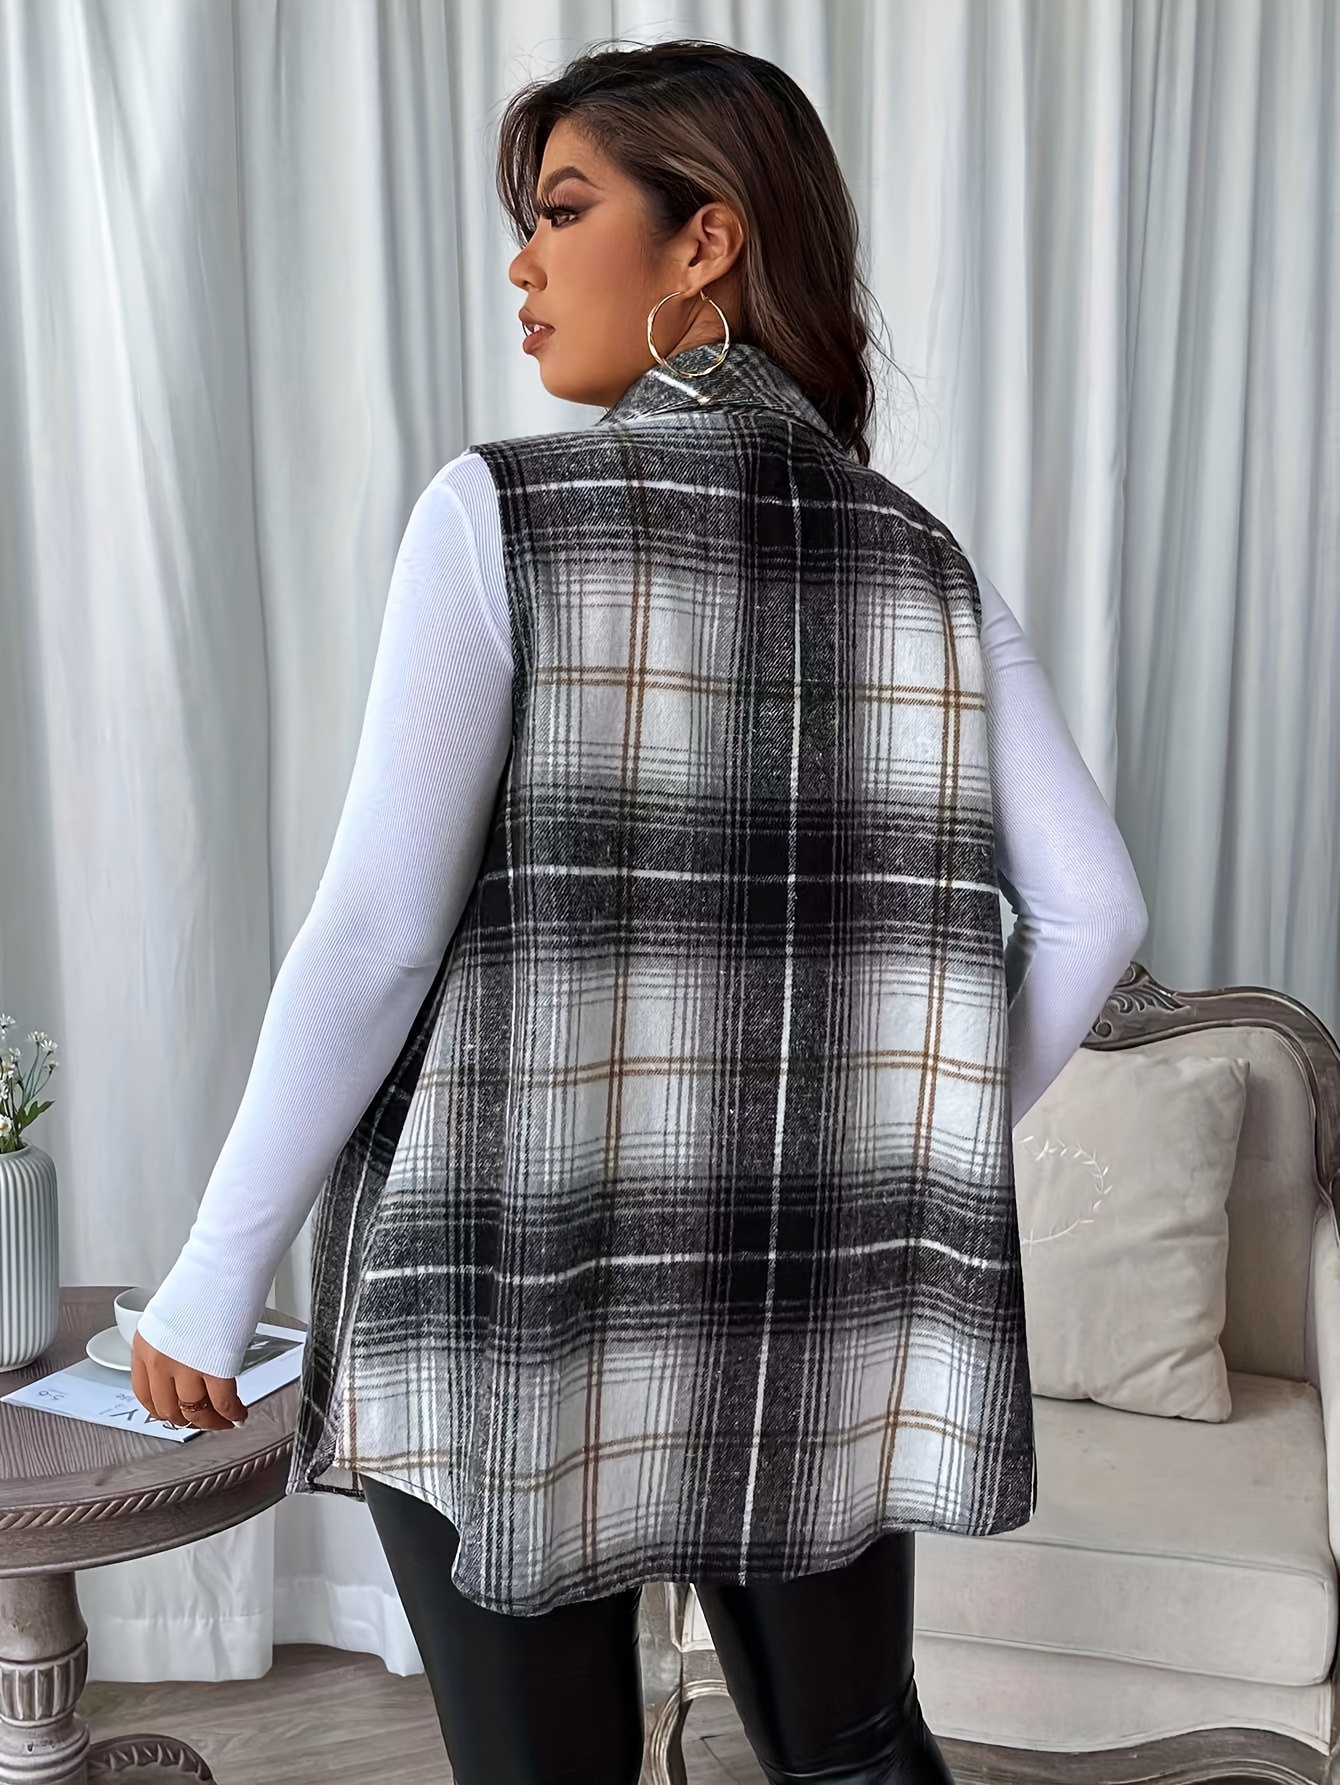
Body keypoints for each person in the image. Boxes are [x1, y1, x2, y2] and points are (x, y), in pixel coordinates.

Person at [130, 39, 1148, 1785]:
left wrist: (212, 1277)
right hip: (806, 1302)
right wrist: (906, 1149)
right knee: (852, 1750)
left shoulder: (503, 515)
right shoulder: (920, 559)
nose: (520, 263)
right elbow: (1096, 911)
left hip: (513, 1272)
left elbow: (378, 938)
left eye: (562, 211)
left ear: (707, 240)